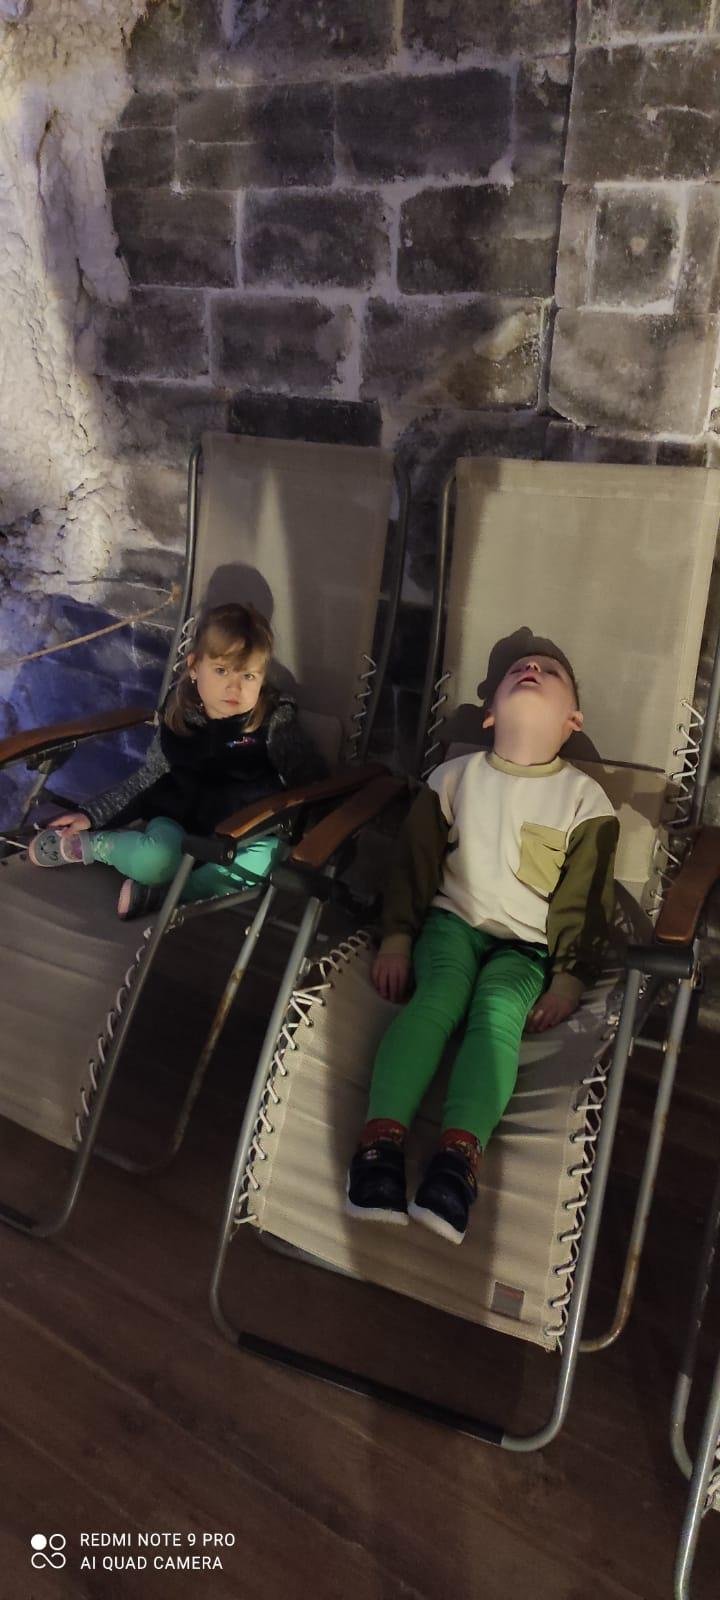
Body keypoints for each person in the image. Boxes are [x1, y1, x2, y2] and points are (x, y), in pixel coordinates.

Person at [347, 643, 619, 1245]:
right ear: (490, 714)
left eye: (550, 673)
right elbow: (413, 866)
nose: (533, 669)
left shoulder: (583, 800)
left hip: (527, 949)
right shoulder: (454, 777)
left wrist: (569, 975)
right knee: (437, 998)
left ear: (572, 722)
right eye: (518, 671)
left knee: (498, 1015)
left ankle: (457, 1158)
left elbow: (585, 898)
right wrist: (398, 937)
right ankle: (380, 1143)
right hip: (451, 924)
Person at [27, 602, 326, 918]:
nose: (235, 687)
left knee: (265, 859)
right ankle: (89, 846)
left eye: (249, 676)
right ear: (194, 666)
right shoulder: (180, 715)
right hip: (176, 827)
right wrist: (92, 815)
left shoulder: (274, 724)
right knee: (155, 860)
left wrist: (322, 834)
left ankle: (168, 895)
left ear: (262, 679)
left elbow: (313, 783)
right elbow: (148, 779)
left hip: (239, 840)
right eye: (221, 670)